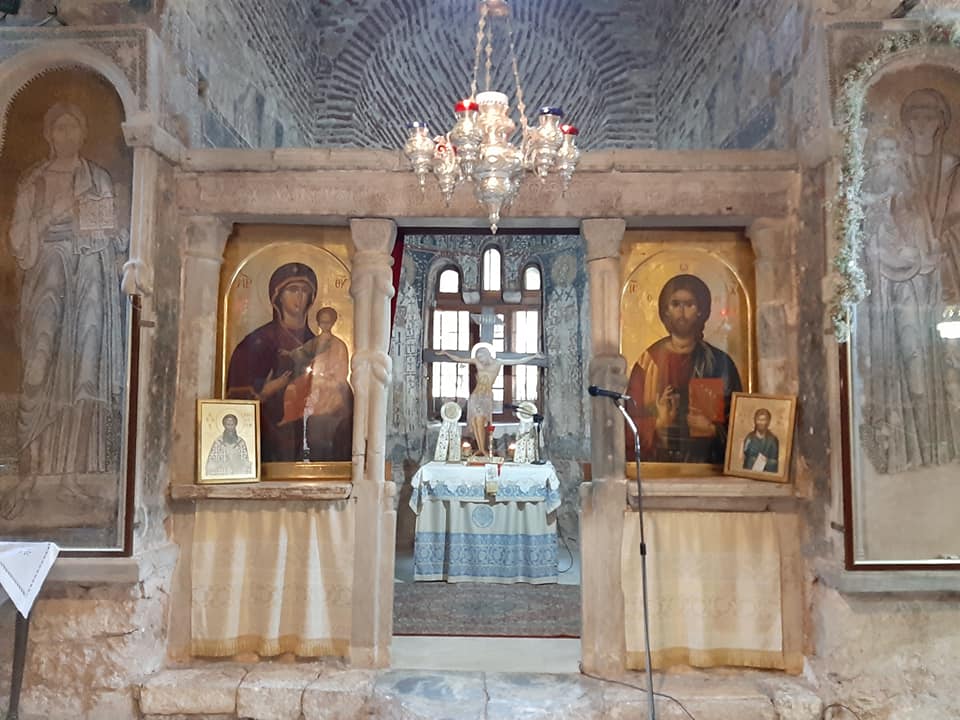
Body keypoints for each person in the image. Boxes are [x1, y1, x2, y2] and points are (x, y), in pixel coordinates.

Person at [8, 102, 127, 480]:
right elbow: (18, 241)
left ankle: (77, 473)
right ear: (49, 134)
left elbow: (113, 234)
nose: (66, 135)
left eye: (73, 128)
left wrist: (115, 233)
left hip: (90, 281)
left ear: (83, 133)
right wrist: (53, 215)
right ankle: (32, 468)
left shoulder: (98, 178)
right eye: (59, 128)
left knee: (85, 371)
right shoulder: (35, 181)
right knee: (39, 363)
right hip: (47, 277)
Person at [858, 89, 960, 473]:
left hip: (934, 287)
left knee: (939, 364)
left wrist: (932, 252)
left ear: (941, 123)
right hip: (897, 292)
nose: (922, 125)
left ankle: (940, 445)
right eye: (914, 118)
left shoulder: (944, 173)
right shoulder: (879, 195)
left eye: (929, 118)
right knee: (910, 361)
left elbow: (936, 232)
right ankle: (910, 447)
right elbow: (872, 241)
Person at [625, 274, 743, 464]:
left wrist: (712, 430)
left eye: (689, 304)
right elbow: (629, 421)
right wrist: (659, 422)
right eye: (675, 304)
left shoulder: (719, 362)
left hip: (708, 465)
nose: (682, 311)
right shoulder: (648, 362)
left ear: (701, 311)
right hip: (657, 465)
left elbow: (741, 423)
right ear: (665, 311)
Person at [226, 263, 318, 462]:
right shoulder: (255, 343)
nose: (299, 296)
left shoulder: (319, 345)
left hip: (309, 436)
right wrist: (264, 391)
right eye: (292, 290)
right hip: (267, 443)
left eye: (304, 290)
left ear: (311, 298)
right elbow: (236, 398)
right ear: (278, 296)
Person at [436, 343, 541, 456]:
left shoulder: (498, 362)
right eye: (478, 357)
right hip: (475, 396)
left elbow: (517, 361)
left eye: (481, 356)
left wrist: (534, 356)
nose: (479, 359)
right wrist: (446, 353)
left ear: (487, 354)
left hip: (486, 396)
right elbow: (459, 359)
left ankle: (483, 449)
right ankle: (480, 448)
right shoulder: (477, 362)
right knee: (475, 422)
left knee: (480, 420)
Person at [741, 408, 779, 473]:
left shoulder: (773, 440)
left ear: (768, 422)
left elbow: (774, 462)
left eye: (763, 420)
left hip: (765, 474)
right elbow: (744, 456)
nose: (761, 422)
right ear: (755, 421)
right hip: (749, 472)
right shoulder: (749, 437)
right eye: (758, 419)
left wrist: (765, 461)